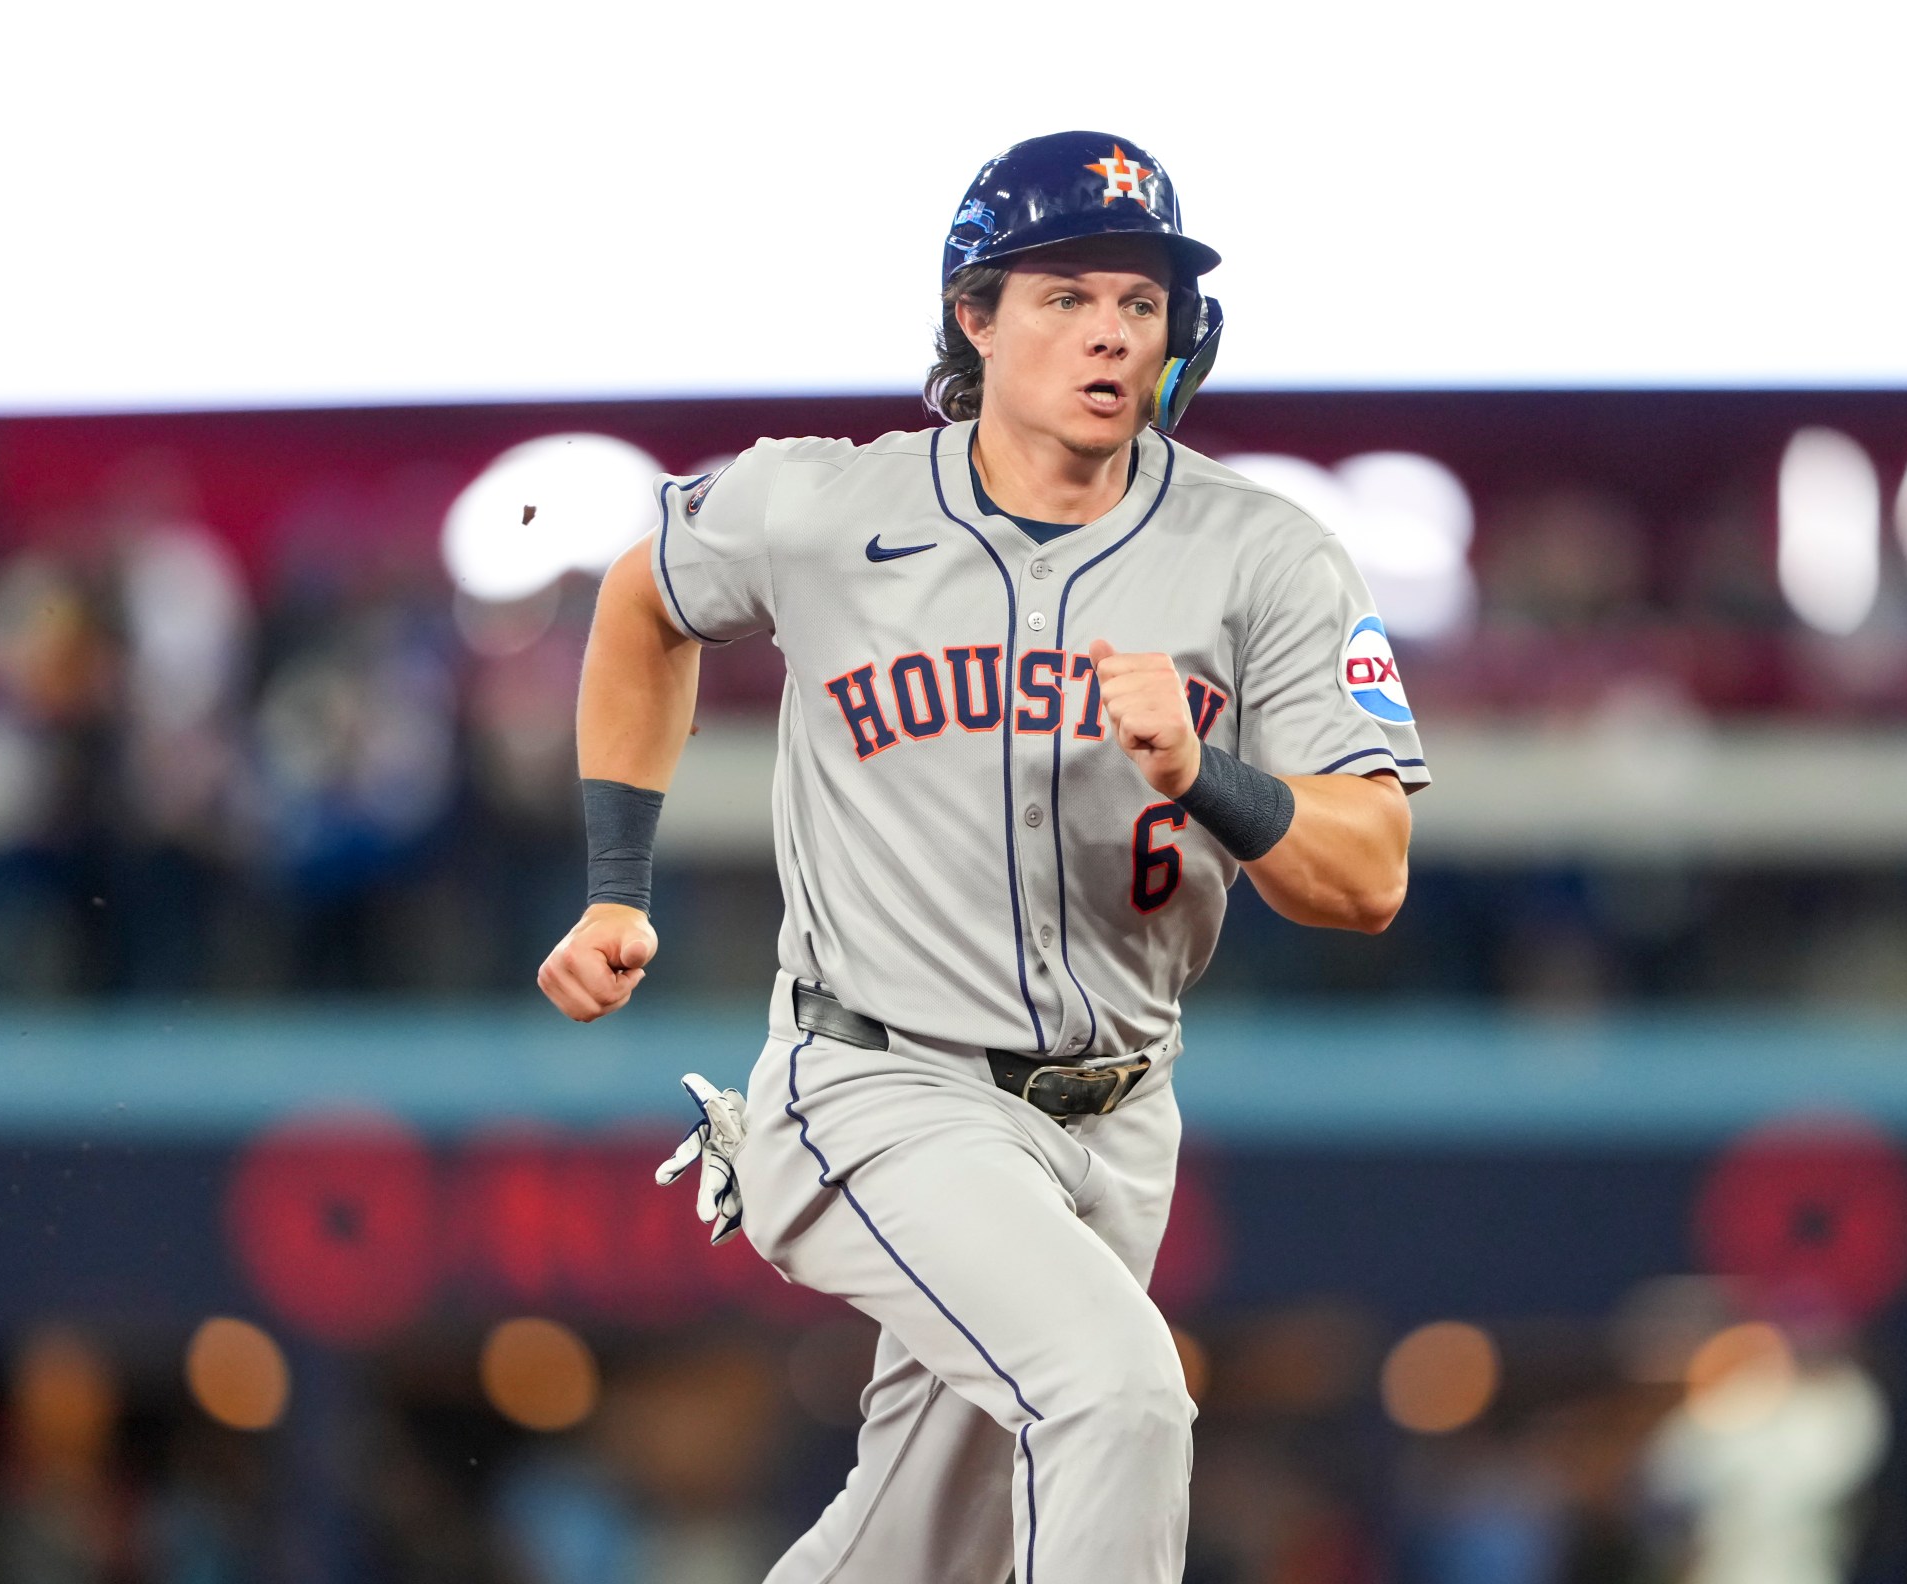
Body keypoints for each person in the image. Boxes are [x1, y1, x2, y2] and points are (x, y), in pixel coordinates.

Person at [537, 129, 1429, 1584]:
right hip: (881, 1080)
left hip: (1116, 1121)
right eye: (1067, 295)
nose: (1109, 334)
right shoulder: (829, 505)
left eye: (1140, 304)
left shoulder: (1266, 555)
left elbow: (1370, 871)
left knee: (913, 1546)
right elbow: (642, 603)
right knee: (1121, 1396)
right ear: (976, 316)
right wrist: (615, 886)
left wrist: (1207, 773)